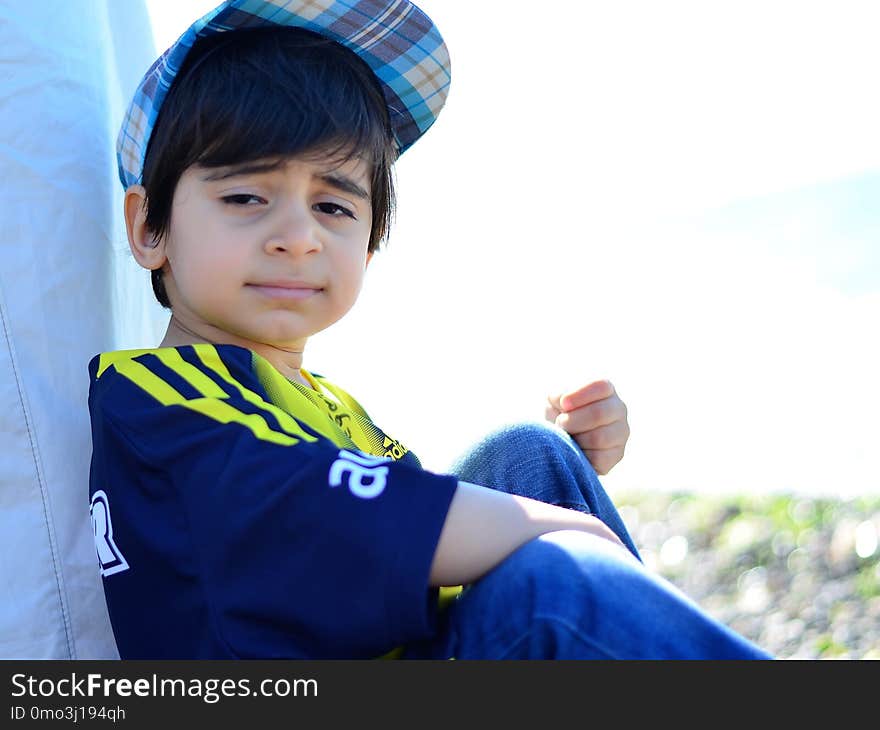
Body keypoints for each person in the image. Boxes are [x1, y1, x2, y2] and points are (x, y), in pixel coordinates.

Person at [88, 0, 771, 660]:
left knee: (528, 454)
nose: (298, 238)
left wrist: (565, 478)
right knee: (547, 586)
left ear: (371, 239)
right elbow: (333, 515)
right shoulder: (155, 398)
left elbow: (407, 530)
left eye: (332, 205)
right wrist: (562, 526)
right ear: (149, 227)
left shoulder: (325, 404)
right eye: (245, 198)